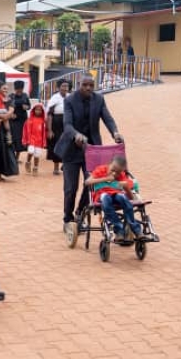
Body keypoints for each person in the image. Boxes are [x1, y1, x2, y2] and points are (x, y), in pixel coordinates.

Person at [55, 76, 122, 232]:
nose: (88, 88)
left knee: (91, 183)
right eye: (85, 85)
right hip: (71, 149)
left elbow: (108, 118)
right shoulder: (70, 100)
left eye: (91, 85)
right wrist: (76, 135)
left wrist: (115, 133)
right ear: (79, 85)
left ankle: (80, 213)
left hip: (92, 149)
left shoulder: (99, 99)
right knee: (71, 188)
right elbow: (67, 125)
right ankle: (68, 218)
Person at [84, 154, 143, 242]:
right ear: (109, 164)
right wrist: (105, 178)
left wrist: (127, 188)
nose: (115, 173)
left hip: (116, 193)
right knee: (106, 199)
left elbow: (129, 194)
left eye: (118, 172)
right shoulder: (101, 169)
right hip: (102, 193)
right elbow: (87, 182)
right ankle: (119, 230)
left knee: (123, 198)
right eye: (113, 170)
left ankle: (137, 230)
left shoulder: (121, 175)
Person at [45, 80, 69, 175]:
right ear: (59, 88)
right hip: (56, 123)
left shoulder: (70, 97)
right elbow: (50, 114)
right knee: (57, 144)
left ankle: (65, 165)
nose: (65, 88)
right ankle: (56, 167)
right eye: (63, 86)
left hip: (67, 123)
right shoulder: (55, 98)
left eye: (66, 86)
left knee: (68, 144)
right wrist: (50, 130)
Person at [22, 102, 47, 174]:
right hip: (31, 139)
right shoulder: (30, 120)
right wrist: (26, 140)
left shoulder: (43, 121)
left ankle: (35, 168)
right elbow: (26, 130)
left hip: (39, 140)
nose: (38, 111)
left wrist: (43, 141)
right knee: (30, 151)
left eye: (40, 110)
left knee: (37, 155)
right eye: (36, 110)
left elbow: (44, 132)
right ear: (33, 110)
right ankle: (28, 162)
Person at [10, 80, 31, 158]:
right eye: (18, 89)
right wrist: (11, 114)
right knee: (14, 137)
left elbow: (29, 106)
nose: (19, 90)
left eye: (21, 89)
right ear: (15, 89)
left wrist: (27, 107)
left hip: (23, 120)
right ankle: (12, 156)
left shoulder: (25, 95)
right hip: (13, 120)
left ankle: (17, 157)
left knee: (21, 138)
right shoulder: (11, 96)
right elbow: (6, 106)